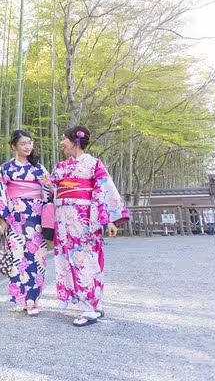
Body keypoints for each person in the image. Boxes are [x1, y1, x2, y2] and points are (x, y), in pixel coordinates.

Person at [41, 126, 129, 327]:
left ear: (75, 141)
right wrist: (49, 185)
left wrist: (108, 220)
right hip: (63, 220)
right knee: (67, 260)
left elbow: (103, 190)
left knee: (85, 259)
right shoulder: (61, 166)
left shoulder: (94, 164)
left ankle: (90, 308)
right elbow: (55, 192)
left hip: (84, 220)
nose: (62, 143)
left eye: (64, 139)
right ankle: (89, 303)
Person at [0, 130, 51, 317]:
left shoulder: (39, 168)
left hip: (36, 219)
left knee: (37, 259)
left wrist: (49, 186)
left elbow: (48, 193)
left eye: (30, 143)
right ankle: (21, 299)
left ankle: (34, 301)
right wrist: (1, 219)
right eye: (23, 143)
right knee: (18, 258)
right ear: (13, 146)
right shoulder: (6, 169)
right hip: (15, 218)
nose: (28, 146)